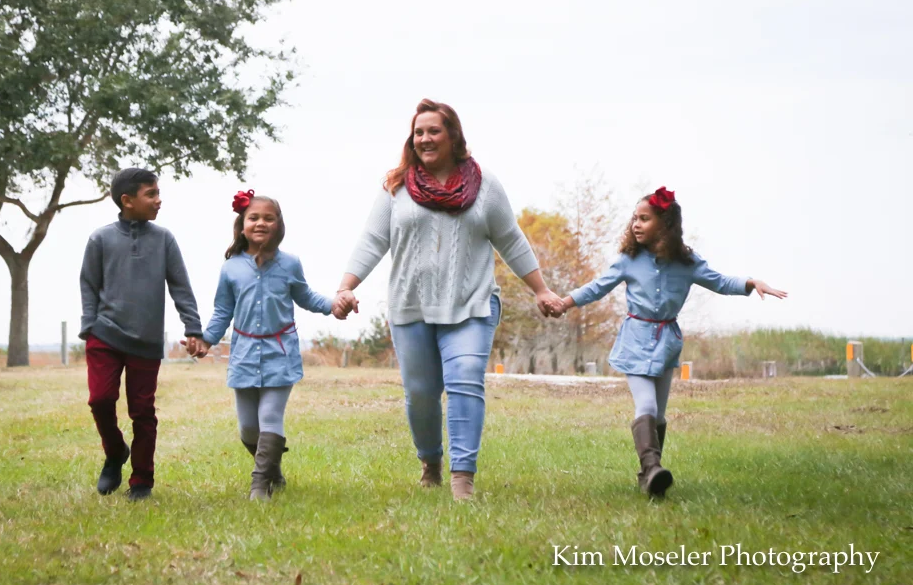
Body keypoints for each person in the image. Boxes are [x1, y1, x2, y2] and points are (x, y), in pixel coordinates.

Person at [333, 99, 562, 500]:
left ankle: (462, 478)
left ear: (453, 135)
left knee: (465, 380)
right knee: (421, 394)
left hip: (471, 303)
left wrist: (541, 289)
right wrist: (345, 286)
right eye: (418, 132)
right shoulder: (396, 186)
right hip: (411, 305)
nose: (424, 139)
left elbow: (511, 239)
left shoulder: (485, 185)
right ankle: (430, 461)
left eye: (433, 131)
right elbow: (373, 239)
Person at [554, 186, 788, 498]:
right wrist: (564, 302)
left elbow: (720, 282)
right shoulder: (628, 260)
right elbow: (597, 287)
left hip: (666, 343)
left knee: (660, 417)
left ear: (665, 224)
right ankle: (652, 468)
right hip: (635, 341)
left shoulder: (687, 263)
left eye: (644, 219)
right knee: (647, 406)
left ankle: (651, 478)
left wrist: (751, 283)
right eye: (634, 218)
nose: (636, 224)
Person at [196, 189, 336, 501]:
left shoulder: (290, 264)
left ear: (279, 225)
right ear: (242, 225)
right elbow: (222, 311)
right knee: (248, 428)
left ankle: (259, 486)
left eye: (268, 218)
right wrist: (206, 340)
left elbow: (307, 297)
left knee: (270, 416)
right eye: (254, 218)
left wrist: (334, 306)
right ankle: (273, 469)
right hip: (244, 354)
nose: (261, 223)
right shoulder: (231, 268)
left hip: (280, 353)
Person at [79, 168, 205, 501]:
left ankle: (141, 480)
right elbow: (88, 284)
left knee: (142, 412)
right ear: (127, 200)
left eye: (158, 193)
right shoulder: (100, 239)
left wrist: (193, 328)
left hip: (146, 340)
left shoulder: (164, 239)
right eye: (151, 194)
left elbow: (180, 286)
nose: (158, 200)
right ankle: (115, 451)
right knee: (100, 400)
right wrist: (89, 325)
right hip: (104, 335)